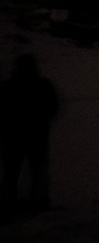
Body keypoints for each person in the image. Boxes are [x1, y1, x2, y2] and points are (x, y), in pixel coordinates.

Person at [0, 53, 59, 215]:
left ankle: (11, 205)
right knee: (28, 173)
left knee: (16, 173)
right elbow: (53, 107)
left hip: (18, 138)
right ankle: (31, 205)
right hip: (30, 137)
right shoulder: (41, 85)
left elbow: (53, 107)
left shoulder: (8, 86)